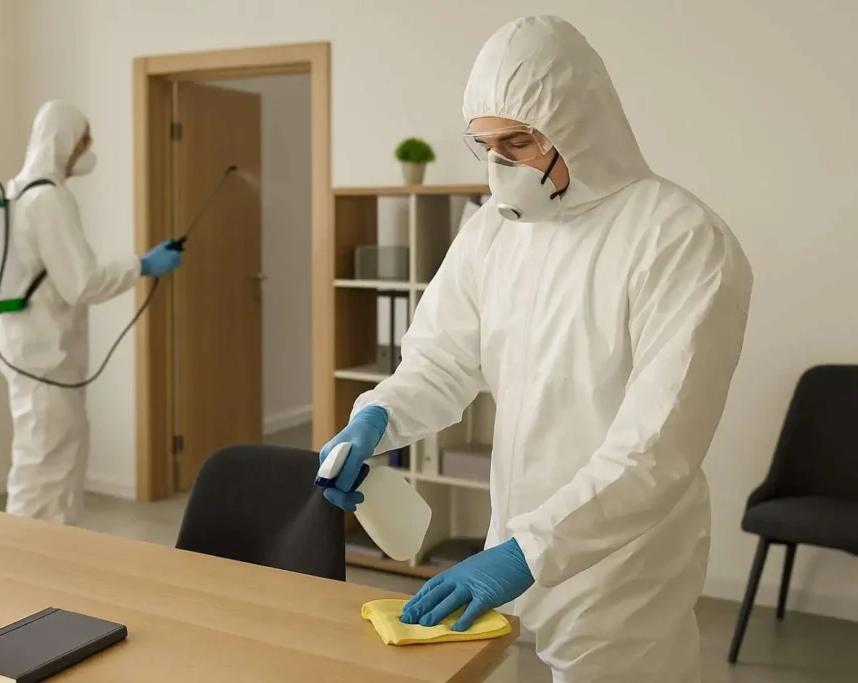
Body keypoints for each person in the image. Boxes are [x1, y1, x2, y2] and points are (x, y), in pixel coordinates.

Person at [318, 16, 752, 683]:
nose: (498, 164)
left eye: (517, 141)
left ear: (580, 124)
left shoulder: (680, 240)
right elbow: (442, 358)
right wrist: (379, 417)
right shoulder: (493, 229)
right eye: (485, 144)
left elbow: (656, 445)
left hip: (621, 576)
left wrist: (531, 550)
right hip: (511, 550)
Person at [0, 100, 182, 525]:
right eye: (83, 139)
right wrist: (142, 265)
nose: (87, 148)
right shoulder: (47, 199)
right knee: (48, 468)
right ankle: (35, 562)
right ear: (63, 142)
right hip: (46, 358)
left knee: (42, 459)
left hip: (28, 350)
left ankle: (38, 558)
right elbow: (81, 283)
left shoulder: (18, 190)